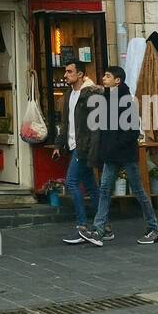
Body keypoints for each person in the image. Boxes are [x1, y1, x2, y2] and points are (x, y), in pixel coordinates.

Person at [79, 66, 158, 246]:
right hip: (111, 155)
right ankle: (99, 230)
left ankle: (154, 228)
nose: (104, 78)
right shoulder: (106, 98)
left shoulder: (126, 100)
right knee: (104, 190)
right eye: (104, 75)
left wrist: (114, 147)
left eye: (108, 76)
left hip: (125, 155)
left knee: (139, 192)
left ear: (118, 80)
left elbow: (132, 132)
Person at [51, 60, 109, 245]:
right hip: (72, 145)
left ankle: (81, 226)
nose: (65, 75)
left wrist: (93, 149)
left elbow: (96, 125)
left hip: (83, 147)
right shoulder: (69, 95)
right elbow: (65, 123)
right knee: (92, 186)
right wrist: (58, 145)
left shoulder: (90, 94)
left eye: (69, 72)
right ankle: (104, 227)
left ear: (81, 74)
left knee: (72, 182)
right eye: (65, 72)